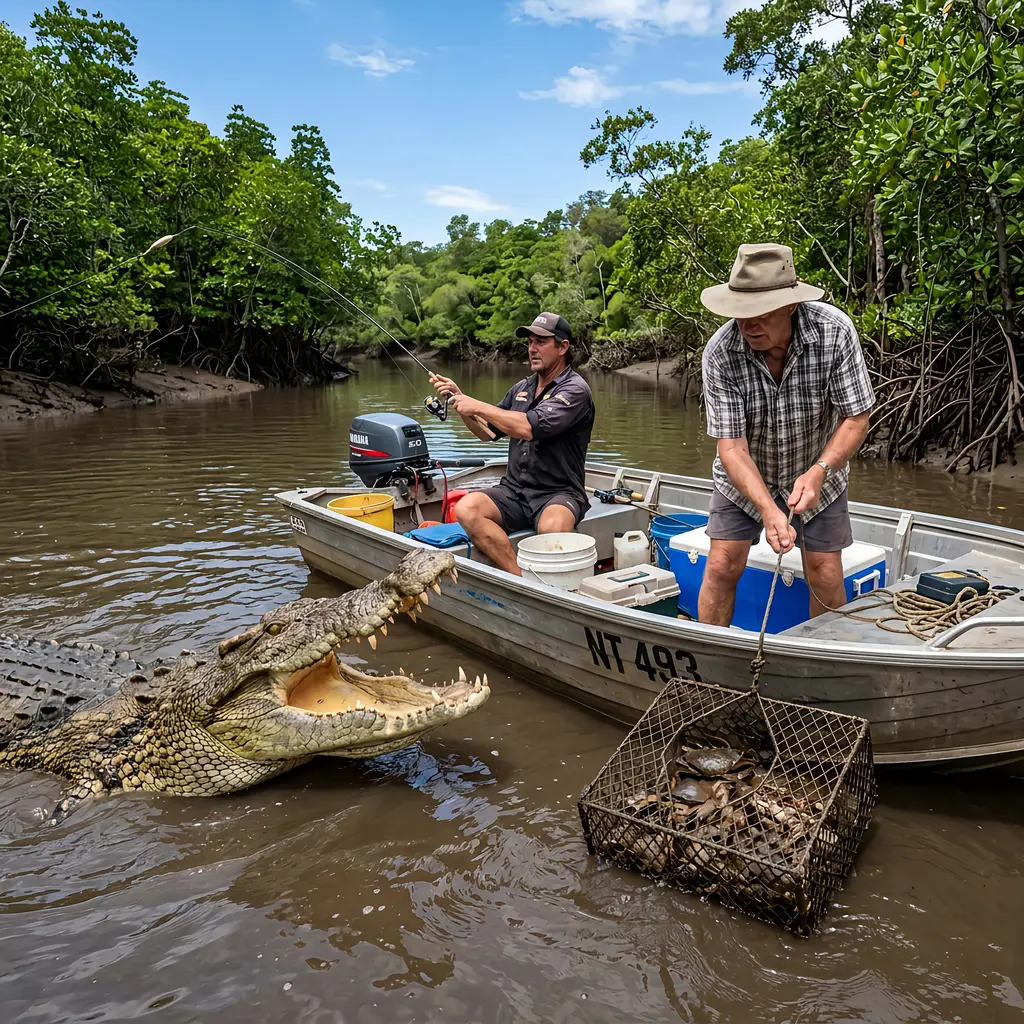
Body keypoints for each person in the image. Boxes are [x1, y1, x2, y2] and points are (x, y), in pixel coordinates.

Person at [696, 243, 875, 626]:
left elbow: (856, 417)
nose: (748, 326)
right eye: (739, 315)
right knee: (723, 563)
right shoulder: (720, 352)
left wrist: (820, 470)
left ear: (791, 306)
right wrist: (766, 507)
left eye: (759, 314)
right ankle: (713, 663)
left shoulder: (834, 332)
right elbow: (731, 446)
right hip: (744, 475)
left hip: (817, 470)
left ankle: (827, 665)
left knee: (825, 571)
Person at [428, 312, 595, 576]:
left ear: (563, 347)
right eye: (529, 342)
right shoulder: (522, 388)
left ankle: (551, 587)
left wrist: (477, 404)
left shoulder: (574, 390)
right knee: (466, 508)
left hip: (558, 492)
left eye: (541, 342)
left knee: (552, 527)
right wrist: (460, 402)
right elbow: (487, 432)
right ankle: (519, 579)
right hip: (514, 491)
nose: (532, 349)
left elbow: (528, 427)